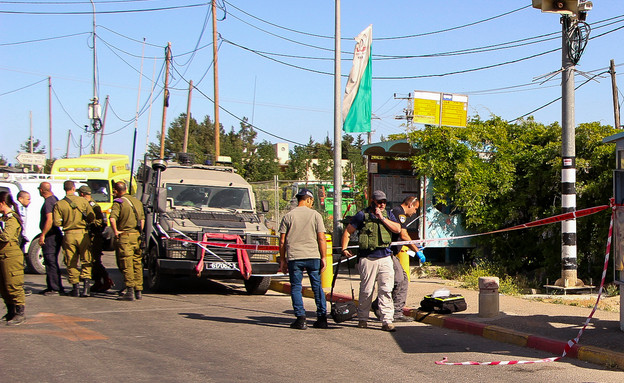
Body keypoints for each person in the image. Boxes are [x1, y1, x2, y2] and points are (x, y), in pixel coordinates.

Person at [341, 190, 401, 332]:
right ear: (373, 201)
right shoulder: (362, 215)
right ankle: (363, 318)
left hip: (385, 258)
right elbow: (348, 231)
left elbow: (398, 229)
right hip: (368, 259)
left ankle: (387, 320)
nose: (382, 204)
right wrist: (344, 248)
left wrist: (382, 218)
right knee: (367, 290)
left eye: (384, 202)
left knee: (386, 289)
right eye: (379, 202)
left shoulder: (388, 215)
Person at [279, 188, 328, 330]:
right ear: (307, 199)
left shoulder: (288, 216)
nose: (312, 203)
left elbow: (282, 241)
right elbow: (321, 238)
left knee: (295, 286)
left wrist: (282, 259)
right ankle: (322, 318)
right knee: (317, 287)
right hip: (313, 256)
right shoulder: (316, 215)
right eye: (311, 201)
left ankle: (301, 319)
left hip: (295, 257)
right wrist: (323, 257)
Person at [372, 196, 420, 322]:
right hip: (388, 253)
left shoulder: (396, 211)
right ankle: (396, 312)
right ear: (410, 205)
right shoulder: (400, 213)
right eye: (415, 208)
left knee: (400, 279)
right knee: (400, 280)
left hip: (389, 253)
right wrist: (416, 250)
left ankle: (379, 305)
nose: (415, 212)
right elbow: (403, 235)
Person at [53, 180, 95, 297]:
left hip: (68, 234)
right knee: (86, 260)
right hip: (83, 234)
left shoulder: (59, 204)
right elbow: (92, 217)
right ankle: (86, 288)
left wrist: (66, 222)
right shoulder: (82, 201)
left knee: (71, 261)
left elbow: (56, 222)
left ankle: (75, 288)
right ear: (74, 188)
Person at [110, 182, 145, 301]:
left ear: (117, 190)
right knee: (137, 263)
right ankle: (138, 290)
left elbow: (112, 218)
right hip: (136, 236)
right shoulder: (137, 202)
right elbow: (142, 220)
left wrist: (116, 231)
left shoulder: (118, 202)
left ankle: (129, 290)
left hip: (125, 236)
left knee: (127, 264)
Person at [78, 185, 114, 293]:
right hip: (90, 235)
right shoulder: (87, 204)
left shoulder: (93, 205)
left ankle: (106, 280)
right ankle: (98, 282)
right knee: (92, 261)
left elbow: (101, 222)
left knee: (95, 261)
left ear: (82, 194)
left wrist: (93, 227)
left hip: (95, 236)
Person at [0, 191, 27, 325]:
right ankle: (10, 310)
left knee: (13, 284)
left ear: (3, 203)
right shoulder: (3, 218)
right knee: (3, 286)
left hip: (11, 255)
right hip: (2, 254)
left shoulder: (12, 218)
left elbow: (6, 237)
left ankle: (19, 312)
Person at [38, 182, 65, 296]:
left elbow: (50, 219)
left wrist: (43, 234)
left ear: (42, 190)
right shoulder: (54, 199)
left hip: (51, 236)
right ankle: (52, 286)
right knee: (50, 261)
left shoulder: (49, 202)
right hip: (55, 234)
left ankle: (55, 288)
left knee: (50, 261)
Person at [16, 190, 32, 296]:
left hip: (21, 238)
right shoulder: (17, 208)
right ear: (20, 199)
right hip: (17, 240)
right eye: (28, 199)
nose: (29, 201)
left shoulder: (22, 208)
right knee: (17, 265)